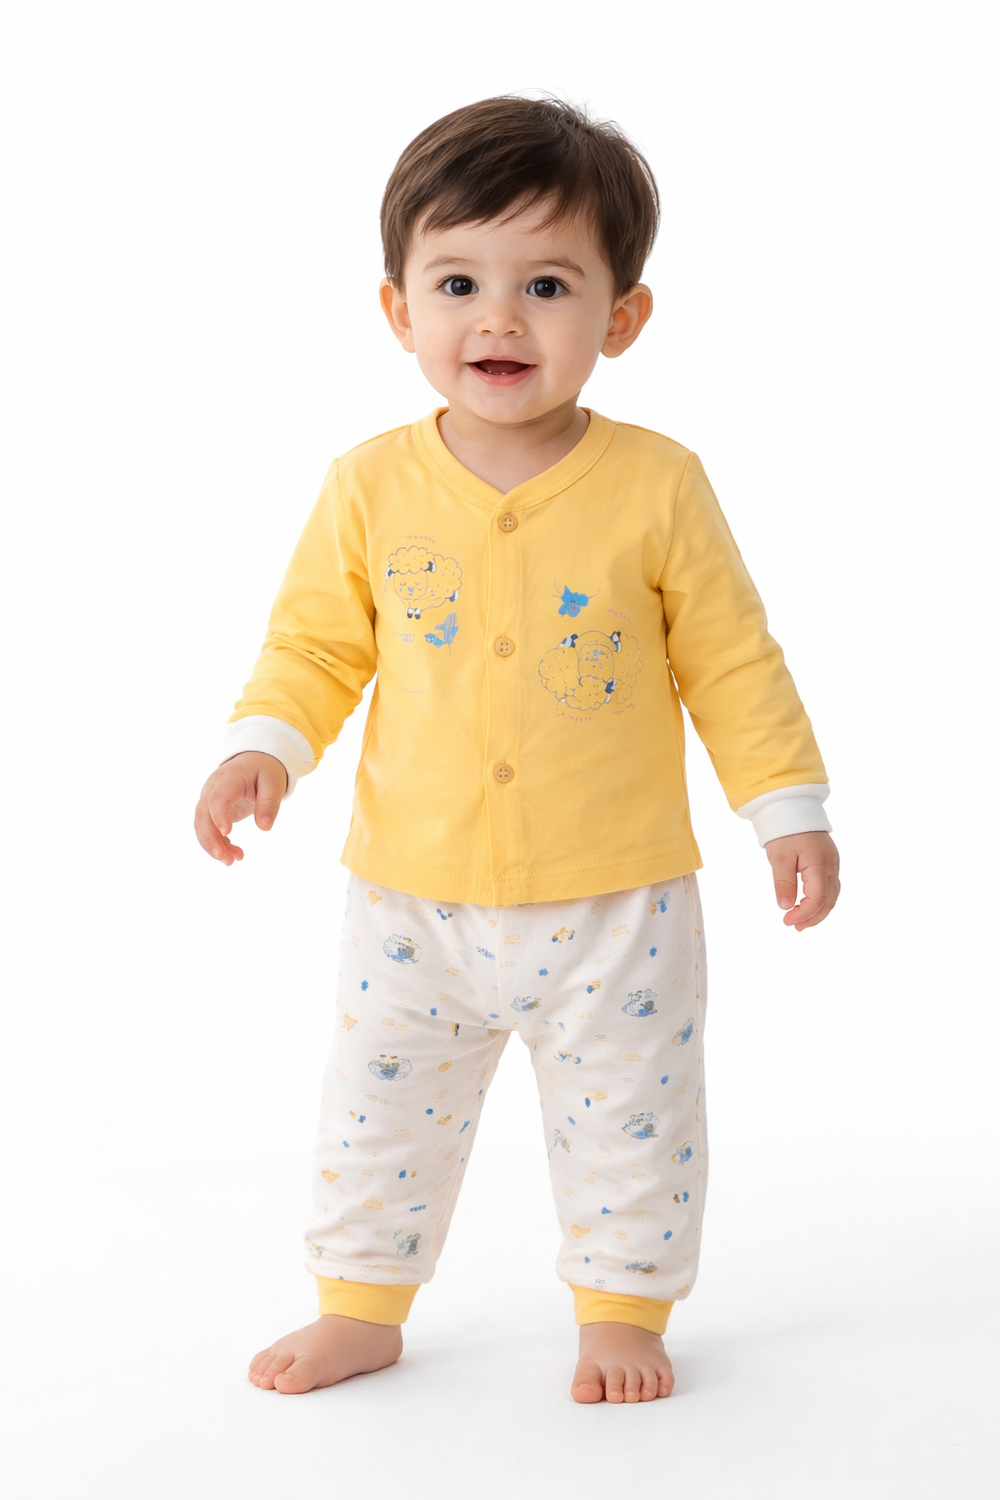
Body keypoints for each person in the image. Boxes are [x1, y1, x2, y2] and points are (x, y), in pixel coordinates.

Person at [194, 95, 840, 1405]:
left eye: (546, 285)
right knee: (378, 1115)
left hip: (617, 899)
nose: (499, 319)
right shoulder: (369, 484)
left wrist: (787, 809)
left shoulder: (657, 484)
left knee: (633, 1118)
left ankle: (623, 1310)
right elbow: (315, 642)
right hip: (410, 898)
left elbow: (731, 659)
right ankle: (361, 1301)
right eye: (458, 284)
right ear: (398, 310)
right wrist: (265, 746)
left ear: (622, 317)